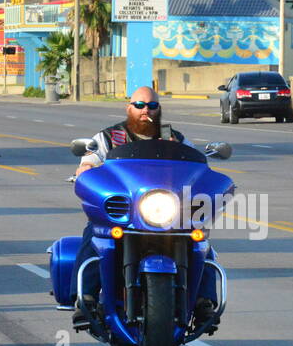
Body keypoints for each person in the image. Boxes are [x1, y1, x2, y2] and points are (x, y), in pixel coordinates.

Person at [72, 87, 219, 320]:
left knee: (199, 240)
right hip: (124, 213)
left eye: (152, 105)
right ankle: (85, 298)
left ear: (159, 109)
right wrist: (86, 168)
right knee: (95, 233)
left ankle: (204, 300)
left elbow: (198, 167)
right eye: (139, 105)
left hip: (167, 213)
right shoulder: (110, 137)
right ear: (129, 107)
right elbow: (89, 159)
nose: (145, 110)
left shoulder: (174, 139)